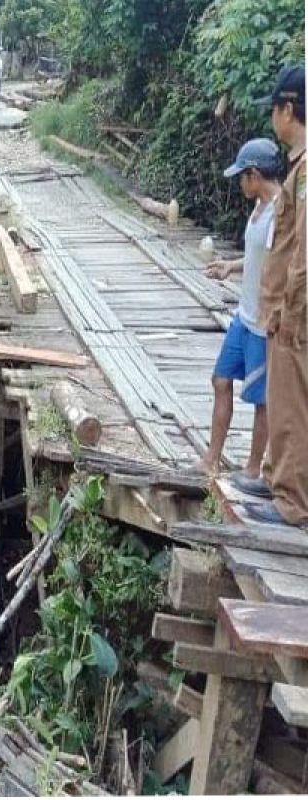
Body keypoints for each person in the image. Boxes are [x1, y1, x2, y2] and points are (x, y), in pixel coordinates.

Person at [236, 64, 308, 526]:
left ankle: (291, 500)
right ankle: (279, 476)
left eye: (275, 110)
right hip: (288, 306)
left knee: (291, 403)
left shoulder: (305, 171)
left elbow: (303, 245)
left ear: (288, 110)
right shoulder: (298, 167)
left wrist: (288, 305)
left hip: (295, 311)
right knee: (285, 399)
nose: (272, 120)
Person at [197, 138, 283, 478]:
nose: (240, 184)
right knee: (221, 380)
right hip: (243, 317)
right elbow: (260, 258)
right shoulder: (259, 208)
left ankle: (251, 469)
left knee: (261, 400)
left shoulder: (280, 213)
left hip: (263, 323)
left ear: (255, 174)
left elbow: (280, 265)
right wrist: (232, 267)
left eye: (242, 177)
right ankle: (211, 459)